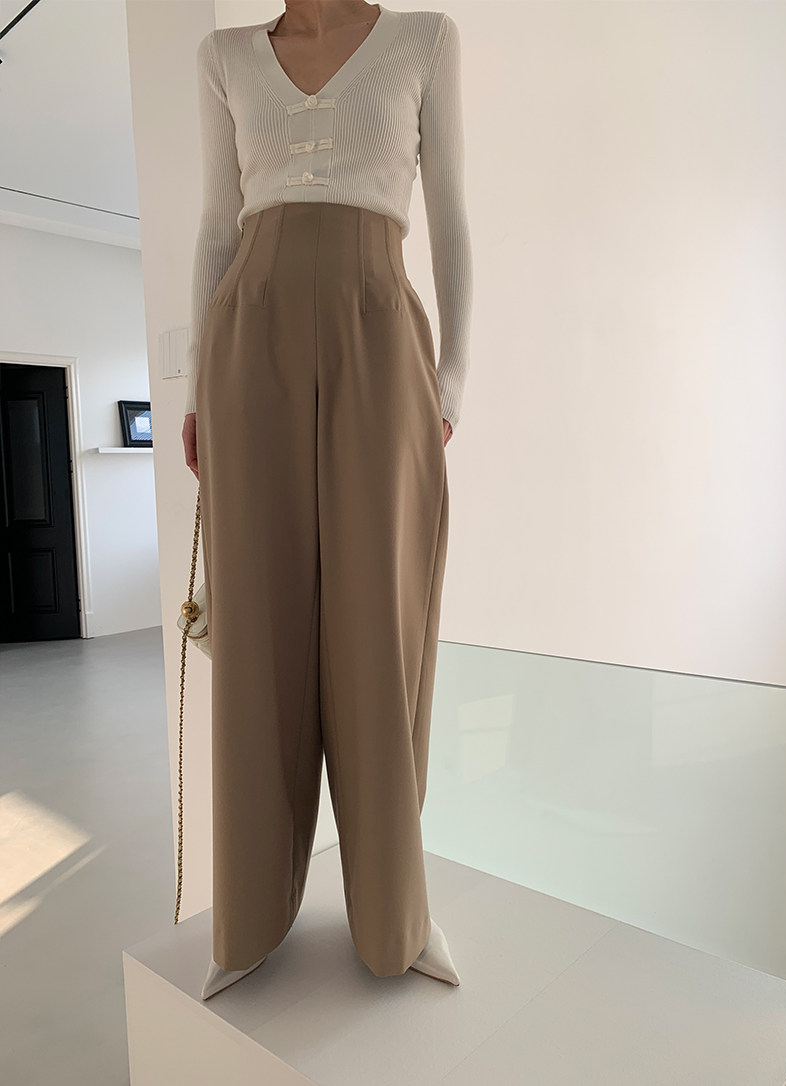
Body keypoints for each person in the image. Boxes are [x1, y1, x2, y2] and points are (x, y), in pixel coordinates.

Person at [180, 1, 473, 1000]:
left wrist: (450, 387)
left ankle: (396, 913)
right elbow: (216, 228)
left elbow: (451, 219)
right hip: (248, 332)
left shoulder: (424, 41)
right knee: (258, 627)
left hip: (378, 327)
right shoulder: (223, 55)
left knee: (378, 621)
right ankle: (249, 916)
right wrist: (196, 392)